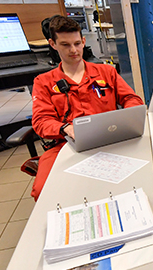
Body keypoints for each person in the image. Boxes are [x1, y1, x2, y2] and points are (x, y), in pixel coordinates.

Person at [30, 16, 144, 200]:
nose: (73, 50)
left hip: (109, 138)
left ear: (83, 41)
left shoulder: (106, 72)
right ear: (53, 44)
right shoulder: (44, 82)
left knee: (139, 177)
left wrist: (126, 118)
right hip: (66, 144)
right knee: (43, 190)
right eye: (65, 45)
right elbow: (41, 121)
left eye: (77, 43)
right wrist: (65, 128)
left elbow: (132, 99)